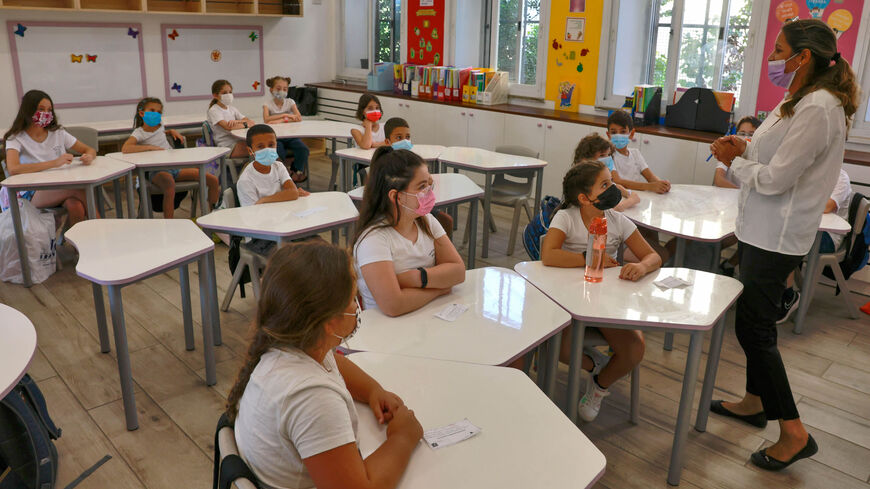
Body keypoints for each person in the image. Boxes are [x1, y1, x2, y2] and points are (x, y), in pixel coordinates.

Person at [709, 19, 859, 471]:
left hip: (778, 234)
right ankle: (755, 401)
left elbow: (776, 180)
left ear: (804, 55)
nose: (773, 57)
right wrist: (746, 143)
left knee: (754, 329)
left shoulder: (819, 106)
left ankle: (794, 432)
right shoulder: (797, 97)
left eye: (779, 49)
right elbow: (774, 152)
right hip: (761, 229)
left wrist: (735, 162)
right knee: (753, 325)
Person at [229, 241, 423, 489]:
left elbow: (335, 363)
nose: (358, 307)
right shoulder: (312, 398)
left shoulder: (296, 343)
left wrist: (373, 390)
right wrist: (402, 438)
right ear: (330, 322)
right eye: (353, 299)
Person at [540, 160, 661, 422]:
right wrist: (589, 257)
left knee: (633, 350)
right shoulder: (567, 216)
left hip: (606, 301)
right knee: (558, 349)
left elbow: (653, 256)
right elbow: (548, 255)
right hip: (568, 299)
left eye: (611, 182)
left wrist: (641, 266)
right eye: (604, 185)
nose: (614, 188)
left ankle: (599, 384)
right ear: (584, 198)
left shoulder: (617, 219)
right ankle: (597, 363)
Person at [352, 147, 465, 316]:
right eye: (422, 187)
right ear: (396, 196)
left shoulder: (426, 221)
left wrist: (417, 278)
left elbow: (458, 272)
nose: (429, 192)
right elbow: (393, 305)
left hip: (424, 315)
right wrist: (439, 289)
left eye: (429, 184)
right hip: (385, 330)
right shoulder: (373, 239)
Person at [2, 89, 97, 224]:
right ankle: (103, 229)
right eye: (41, 109)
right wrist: (55, 162)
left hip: (59, 187)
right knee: (78, 190)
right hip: (30, 193)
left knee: (76, 206)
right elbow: (13, 169)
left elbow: (89, 149)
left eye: (49, 110)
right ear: (28, 110)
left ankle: (76, 244)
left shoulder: (57, 133)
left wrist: (89, 156)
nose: (45, 114)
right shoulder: (15, 138)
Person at [776, 168, 853, 324]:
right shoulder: (811, 171)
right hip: (808, 228)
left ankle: (788, 295)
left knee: (787, 239)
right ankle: (773, 291)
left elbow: (828, 207)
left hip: (828, 236)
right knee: (774, 235)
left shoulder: (840, 177)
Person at [122, 97, 219, 218]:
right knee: (169, 185)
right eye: (152, 110)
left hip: (175, 168)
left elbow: (159, 134)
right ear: (142, 113)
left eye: (159, 112)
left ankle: (215, 216)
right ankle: (169, 225)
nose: (156, 114)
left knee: (213, 180)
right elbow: (126, 148)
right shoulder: (139, 133)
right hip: (156, 171)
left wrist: (171, 131)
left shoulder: (160, 126)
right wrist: (150, 148)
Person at [606, 111, 670, 194]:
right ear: (608, 135)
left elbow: (650, 177)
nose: (618, 135)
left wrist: (662, 184)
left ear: (631, 134)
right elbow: (617, 181)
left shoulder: (635, 153)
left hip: (637, 197)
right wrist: (651, 186)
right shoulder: (607, 156)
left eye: (623, 131)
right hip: (618, 199)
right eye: (614, 132)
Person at [572, 133, 640, 211]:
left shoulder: (597, 176)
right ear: (585, 160)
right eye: (601, 155)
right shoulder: (584, 182)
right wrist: (631, 200)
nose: (607, 159)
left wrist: (627, 193)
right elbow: (609, 210)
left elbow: (612, 186)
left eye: (608, 155)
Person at [262, 75, 309, 183]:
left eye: (285, 89)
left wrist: (281, 120)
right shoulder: (267, 104)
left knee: (303, 149)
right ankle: (283, 174)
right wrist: (286, 116)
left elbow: (298, 118)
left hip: (291, 136)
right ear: (271, 90)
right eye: (278, 89)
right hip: (276, 138)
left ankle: (296, 171)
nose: (282, 91)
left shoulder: (290, 102)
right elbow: (267, 119)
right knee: (278, 151)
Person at [207, 79, 255, 158]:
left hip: (237, 140)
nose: (228, 95)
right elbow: (228, 127)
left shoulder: (232, 109)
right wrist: (245, 124)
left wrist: (236, 122)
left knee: (259, 145)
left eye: (230, 92)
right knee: (257, 149)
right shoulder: (214, 110)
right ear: (215, 95)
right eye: (224, 93)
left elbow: (249, 121)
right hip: (226, 145)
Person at [713, 116, 761, 189]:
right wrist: (740, 193)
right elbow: (719, 179)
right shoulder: (729, 151)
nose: (746, 138)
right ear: (735, 135)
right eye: (742, 133)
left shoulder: (760, 155)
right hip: (728, 194)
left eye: (751, 134)